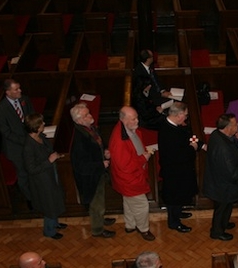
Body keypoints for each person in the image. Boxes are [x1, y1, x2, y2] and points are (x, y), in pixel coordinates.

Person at [108, 106, 155, 241]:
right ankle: (143, 229)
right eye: (133, 119)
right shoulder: (119, 141)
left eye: (136, 117)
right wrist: (143, 159)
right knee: (141, 205)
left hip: (128, 179)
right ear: (123, 120)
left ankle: (130, 225)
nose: (137, 121)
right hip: (129, 179)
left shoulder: (125, 129)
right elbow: (125, 166)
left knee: (129, 202)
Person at [69, 103, 116, 238]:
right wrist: (101, 164)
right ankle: (97, 229)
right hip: (91, 177)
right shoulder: (79, 140)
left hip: (97, 172)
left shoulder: (90, 128)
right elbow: (81, 166)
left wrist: (105, 150)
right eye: (86, 115)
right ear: (79, 120)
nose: (90, 116)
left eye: (88, 112)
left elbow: (99, 144)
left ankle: (100, 219)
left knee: (100, 201)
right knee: (96, 204)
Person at [202, 113, 238, 241]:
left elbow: (231, 153)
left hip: (219, 181)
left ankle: (224, 223)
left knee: (227, 206)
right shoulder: (222, 147)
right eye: (235, 124)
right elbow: (233, 173)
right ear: (228, 127)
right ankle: (217, 232)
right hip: (222, 185)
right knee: (221, 208)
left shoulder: (217, 134)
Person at [158, 102, 204, 233]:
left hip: (179, 170)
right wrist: (192, 148)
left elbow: (188, 137)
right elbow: (178, 155)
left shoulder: (175, 126)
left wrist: (200, 144)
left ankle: (178, 212)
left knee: (179, 194)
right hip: (173, 171)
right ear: (178, 115)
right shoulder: (168, 131)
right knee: (174, 196)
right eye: (185, 115)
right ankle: (174, 222)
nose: (186, 117)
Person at [22, 113, 67, 239]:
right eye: (41, 123)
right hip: (42, 181)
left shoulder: (40, 137)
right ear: (36, 127)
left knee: (55, 199)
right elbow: (31, 169)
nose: (44, 124)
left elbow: (48, 151)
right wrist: (49, 161)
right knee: (49, 205)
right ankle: (49, 230)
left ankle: (55, 223)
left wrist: (55, 156)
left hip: (50, 174)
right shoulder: (28, 146)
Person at [0, 79, 35, 202]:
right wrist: (25, 141)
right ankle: (30, 199)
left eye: (19, 88)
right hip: (15, 148)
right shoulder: (1, 109)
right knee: (23, 174)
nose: (20, 91)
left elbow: (31, 117)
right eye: (16, 89)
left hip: (29, 141)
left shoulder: (24, 99)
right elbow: (6, 132)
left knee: (33, 170)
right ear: (8, 92)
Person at [132, 49, 172, 130]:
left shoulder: (150, 68)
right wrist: (160, 96)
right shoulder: (139, 72)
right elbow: (145, 100)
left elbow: (157, 81)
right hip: (152, 102)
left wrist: (162, 91)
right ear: (148, 59)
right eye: (152, 56)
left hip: (155, 99)